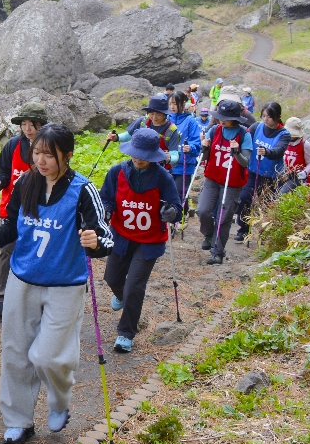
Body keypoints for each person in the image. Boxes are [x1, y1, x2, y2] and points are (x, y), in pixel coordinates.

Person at [0, 123, 113, 444]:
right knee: (15, 352)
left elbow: (105, 237)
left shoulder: (82, 189)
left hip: (65, 284)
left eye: (49, 155)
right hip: (23, 279)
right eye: (37, 153)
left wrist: (94, 242)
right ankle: (18, 420)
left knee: (48, 356)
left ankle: (60, 399)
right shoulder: (25, 184)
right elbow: (10, 227)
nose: (41, 160)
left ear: (68, 156)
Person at [98, 129, 182, 353]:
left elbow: (177, 207)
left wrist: (171, 212)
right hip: (121, 235)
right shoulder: (117, 172)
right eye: (135, 153)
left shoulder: (163, 178)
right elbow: (105, 197)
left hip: (149, 241)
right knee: (112, 278)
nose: (138, 158)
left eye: (144, 155)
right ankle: (121, 295)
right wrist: (106, 210)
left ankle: (126, 333)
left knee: (135, 285)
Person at [0, 102, 47, 318]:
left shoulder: (48, 148)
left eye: (32, 124)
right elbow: (3, 171)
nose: (28, 128)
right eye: (24, 124)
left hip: (39, 210)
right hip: (12, 207)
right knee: (7, 248)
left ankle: (33, 294)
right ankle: (0, 296)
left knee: (35, 248)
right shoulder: (12, 145)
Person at [196, 100, 252, 265]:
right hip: (212, 178)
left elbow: (245, 162)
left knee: (224, 217)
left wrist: (236, 152)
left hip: (232, 182)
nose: (221, 120)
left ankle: (217, 252)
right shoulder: (214, 130)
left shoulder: (244, 134)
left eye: (225, 117)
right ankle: (208, 233)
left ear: (235, 118)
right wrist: (204, 148)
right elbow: (204, 158)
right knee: (203, 210)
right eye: (220, 116)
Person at [235, 103, 290, 241]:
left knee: (266, 206)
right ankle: (243, 229)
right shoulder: (256, 127)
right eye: (264, 116)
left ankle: (264, 234)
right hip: (252, 171)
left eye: (269, 117)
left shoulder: (284, 134)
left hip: (270, 176)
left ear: (277, 117)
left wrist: (267, 152)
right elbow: (245, 138)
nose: (265, 119)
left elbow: (279, 151)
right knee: (244, 199)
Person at [108, 95, 182, 171]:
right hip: (140, 163)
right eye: (152, 114)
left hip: (160, 168)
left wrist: (169, 159)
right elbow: (129, 135)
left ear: (165, 115)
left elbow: (174, 154)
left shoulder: (172, 130)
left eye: (158, 115)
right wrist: (117, 137)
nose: (154, 117)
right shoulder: (143, 121)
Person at [168, 91, 202, 215]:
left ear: (183, 104)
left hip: (184, 164)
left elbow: (196, 142)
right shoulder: (166, 119)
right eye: (171, 103)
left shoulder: (190, 121)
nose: (172, 107)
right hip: (167, 163)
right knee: (167, 192)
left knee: (179, 193)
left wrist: (190, 148)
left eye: (176, 104)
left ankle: (181, 215)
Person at [277, 117, 310, 195]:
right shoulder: (283, 140)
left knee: (281, 194)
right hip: (282, 174)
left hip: (296, 176)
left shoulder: (304, 144)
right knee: (274, 194)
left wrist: (305, 172)